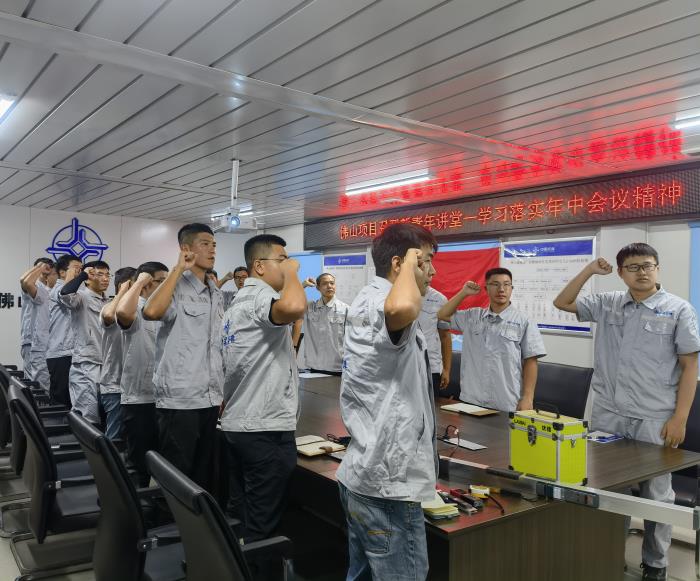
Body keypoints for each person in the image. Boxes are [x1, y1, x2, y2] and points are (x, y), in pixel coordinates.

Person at [553, 242, 700, 581]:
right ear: (621, 273)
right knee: (608, 491)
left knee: (657, 495)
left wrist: (680, 418)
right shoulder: (607, 303)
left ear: (657, 269)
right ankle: (608, 555)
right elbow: (563, 302)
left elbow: (690, 366)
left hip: (655, 418)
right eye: (633, 267)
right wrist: (590, 270)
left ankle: (656, 564)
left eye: (648, 265)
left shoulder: (678, 309)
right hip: (609, 416)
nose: (642, 272)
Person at [337, 223, 438, 580]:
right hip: (388, 485)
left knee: (362, 574)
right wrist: (411, 263)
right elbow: (404, 307)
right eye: (426, 261)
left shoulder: (368, 298)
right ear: (399, 264)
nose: (432, 271)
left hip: (365, 473)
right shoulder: (386, 302)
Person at [221, 234, 306, 541]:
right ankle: (258, 561)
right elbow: (295, 306)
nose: (286, 265)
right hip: (263, 429)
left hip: (241, 422)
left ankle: (234, 561)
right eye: (281, 259)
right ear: (259, 266)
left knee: (241, 511)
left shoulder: (237, 304)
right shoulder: (259, 297)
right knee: (263, 523)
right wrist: (293, 272)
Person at [143, 224, 223, 490]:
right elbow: (151, 312)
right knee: (176, 477)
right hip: (180, 399)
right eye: (205, 244)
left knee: (203, 476)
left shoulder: (215, 292)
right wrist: (178, 269)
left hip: (209, 397)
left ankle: (197, 519)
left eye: (214, 244)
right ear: (186, 248)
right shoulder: (175, 285)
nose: (212, 249)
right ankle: (165, 517)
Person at [438, 267, 546, 412]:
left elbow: (531, 361)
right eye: (495, 284)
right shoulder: (472, 317)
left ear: (511, 288)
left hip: (505, 401)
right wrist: (464, 293)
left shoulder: (524, 321)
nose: (501, 289)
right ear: (486, 289)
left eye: (506, 284)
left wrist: (527, 398)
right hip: (471, 399)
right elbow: (442, 314)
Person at [117, 262, 168, 486]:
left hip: (163, 397)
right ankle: (136, 502)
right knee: (138, 462)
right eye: (160, 281)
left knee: (160, 460)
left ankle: (154, 500)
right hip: (138, 398)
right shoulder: (135, 306)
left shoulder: (164, 309)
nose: (166, 285)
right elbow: (121, 312)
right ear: (146, 283)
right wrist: (138, 282)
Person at [59, 260, 111, 424]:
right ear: (88, 279)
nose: (105, 279)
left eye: (107, 275)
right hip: (86, 364)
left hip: (107, 364)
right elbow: (64, 294)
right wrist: (82, 275)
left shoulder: (109, 302)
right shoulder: (81, 297)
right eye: (99, 274)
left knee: (105, 414)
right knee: (88, 416)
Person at [98, 267, 136, 439]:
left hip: (134, 388)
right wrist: (122, 292)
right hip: (115, 387)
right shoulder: (109, 308)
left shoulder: (137, 309)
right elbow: (108, 315)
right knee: (115, 441)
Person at [293, 273, 349, 375]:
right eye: (325, 283)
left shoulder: (345, 309)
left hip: (338, 368)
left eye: (332, 283)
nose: (329, 286)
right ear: (318, 287)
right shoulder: (310, 307)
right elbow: (288, 303)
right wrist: (302, 285)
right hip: (314, 367)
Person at [46, 254, 82, 406]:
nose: (80, 272)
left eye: (81, 268)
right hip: (61, 353)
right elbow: (68, 298)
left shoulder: (78, 291)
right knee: (61, 402)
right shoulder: (59, 289)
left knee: (74, 401)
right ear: (62, 272)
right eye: (76, 268)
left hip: (72, 353)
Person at [19, 258, 57, 389]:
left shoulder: (48, 291)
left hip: (45, 344)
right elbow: (24, 280)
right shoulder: (33, 286)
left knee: (43, 384)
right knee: (36, 386)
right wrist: (40, 267)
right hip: (32, 343)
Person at [417, 284, 452, 397]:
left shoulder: (439, 299)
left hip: (431, 367)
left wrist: (446, 369)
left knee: (431, 406)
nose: (430, 277)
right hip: (403, 367)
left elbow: (445, 336)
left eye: (431, 275)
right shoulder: (398, 293)